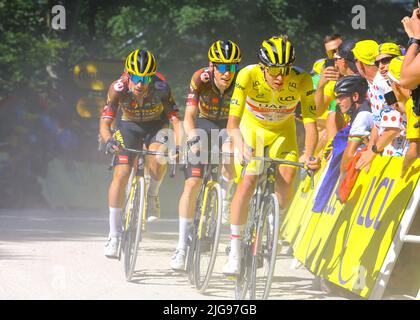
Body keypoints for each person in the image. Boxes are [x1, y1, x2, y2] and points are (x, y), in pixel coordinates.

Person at [223, 35, 320, 275]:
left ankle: (269, 221)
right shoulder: (247, 75)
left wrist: (309, 154)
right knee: (248, 180)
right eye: (274, 70)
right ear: (263, 66)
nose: (280, 77)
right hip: (251, 130)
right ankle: (234, 251)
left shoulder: (303, 80)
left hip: (282, 132)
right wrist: (241, 145)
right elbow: (232, 124)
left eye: (285, 71)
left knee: (287, 183)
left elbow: (310, 124)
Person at [99, 49, 182, 258]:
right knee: (121, 173)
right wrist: (109, 140)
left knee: (158, 155)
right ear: (127, 74)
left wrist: (180, 146)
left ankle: (152, 196)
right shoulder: (117, 89)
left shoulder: (162, 87)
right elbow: (105, 121)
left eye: (145, 78)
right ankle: (114, 235)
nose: (140, 83)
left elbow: (176, 121)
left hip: (156, 125)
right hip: (129, 126)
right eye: (135, 77)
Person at [170, 40, 241, 271]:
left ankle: (223, 195)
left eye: (232, 67)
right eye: (222, 67)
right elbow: (189, 115)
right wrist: (192, 138)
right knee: (192, 184)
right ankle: (181, 247)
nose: (227, 73)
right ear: (212, 66)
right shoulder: (200, 77)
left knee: (231, 152)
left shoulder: (241, 81)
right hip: (203, 123)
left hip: (229, 125)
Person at [386, 56, 419, 177]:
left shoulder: (413, 104)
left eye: (390, 84)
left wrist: (402, 170)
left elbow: (414, 152)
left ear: (396, 85)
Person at [333, 76, 372, 173]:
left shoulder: (363, 115)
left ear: (355, 96)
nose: (338, 102)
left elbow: (349, 155)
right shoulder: (358, 110)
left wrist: (341, 178)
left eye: (341, 97)